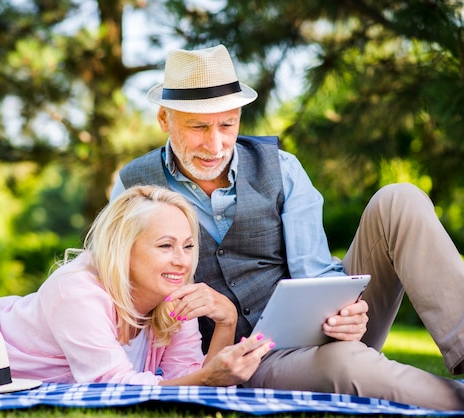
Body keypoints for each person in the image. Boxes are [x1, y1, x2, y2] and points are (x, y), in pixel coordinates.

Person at [111, 44, 464, 410]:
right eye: (198, 127)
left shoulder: (282, 168)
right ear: (165, 120)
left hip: (326, 332)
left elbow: (314, 272)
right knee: (344, 363)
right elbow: (118, 291)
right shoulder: (134, 186)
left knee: (399, 199)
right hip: (243, 360)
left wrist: (349, 312)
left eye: (227, 124)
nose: (215, 145)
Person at [0, 174, 273, 386]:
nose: (182, 260)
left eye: (188, 246)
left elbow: (189, 381)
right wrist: (206, 378)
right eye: (165, 246)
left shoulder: (172, 297)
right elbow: (111, 387)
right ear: (124, 248)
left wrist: (227, 322)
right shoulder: (78, 289)